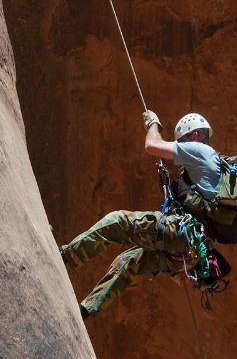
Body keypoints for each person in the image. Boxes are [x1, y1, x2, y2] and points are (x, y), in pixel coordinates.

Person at [59, 111, 224, 319]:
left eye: (182, 141)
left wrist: (153, 125)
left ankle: (65, 255)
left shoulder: (201, 150)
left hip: (183, 237)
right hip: (190, 253)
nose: (181, 146)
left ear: (196, 136)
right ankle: (85, 310)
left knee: (118, 222)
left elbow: (152, 145)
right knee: (130, 260)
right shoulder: (208, 170)